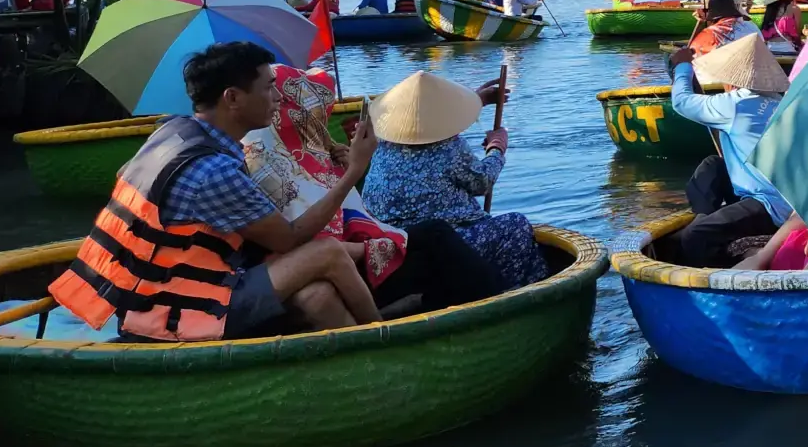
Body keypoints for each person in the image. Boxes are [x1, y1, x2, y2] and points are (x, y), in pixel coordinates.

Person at [48, 42, 384, 340]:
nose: (278, 98)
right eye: (269, 88)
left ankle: (355, 361)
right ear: (233, 98)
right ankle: (386, 338)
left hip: (141, 298)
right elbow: (290, 239)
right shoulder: (214, 171)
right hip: (184, 308)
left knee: (319, 296)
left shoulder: (171, 131)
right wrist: (354, 169)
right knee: (328, 253)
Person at [245, 66, 501, 311]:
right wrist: (355, 171)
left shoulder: (282, 155)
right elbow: (315, 242)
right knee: (438, 239)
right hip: (343, 268)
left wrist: (345, 167)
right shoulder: (276, 172)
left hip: (354, 250)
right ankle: (493, 308)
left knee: (434, 237)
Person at [360, 72, 550, 289]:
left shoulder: (383, 146)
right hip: (440, 243)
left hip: (394, 240)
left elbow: (424, 125)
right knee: (516, 225)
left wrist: (478, 99)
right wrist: (497, 148)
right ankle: (513, 290)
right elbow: (482, 182)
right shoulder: (449, 147)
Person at [662, 33, 792, 267]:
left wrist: (682, 67)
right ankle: (703, 216)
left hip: (770, 204)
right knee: (713, 164)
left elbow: (681, 101)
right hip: (781, 194)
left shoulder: (736, 105)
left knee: (696, 236)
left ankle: (720, 268)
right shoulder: (780, 102)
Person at [689, 0, 756, 56]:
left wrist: (700, 25)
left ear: (713, 16)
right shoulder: (752, 26)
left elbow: (692, 54)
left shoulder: (710, 34)